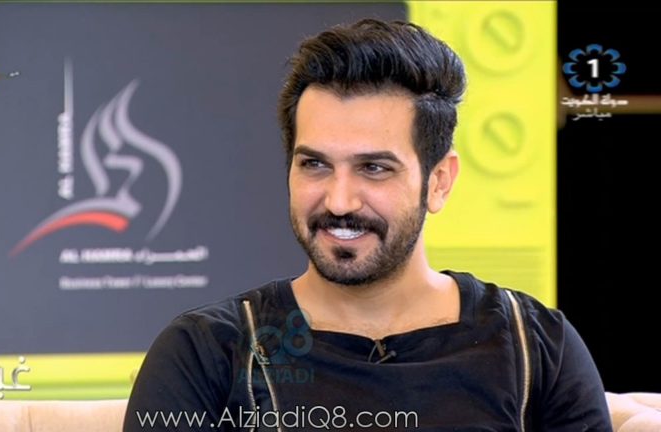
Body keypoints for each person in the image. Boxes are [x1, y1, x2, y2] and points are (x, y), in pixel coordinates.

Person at [124, 18, 611, 431]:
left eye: (374, 168)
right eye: (315, 165)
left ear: (439, 182)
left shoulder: (536, 349)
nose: (339, 201)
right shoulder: (207, 353)